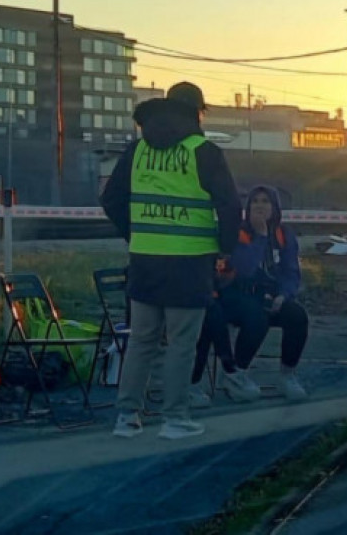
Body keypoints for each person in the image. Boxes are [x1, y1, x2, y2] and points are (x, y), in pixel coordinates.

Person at [100, 82, 241, 440]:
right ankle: (175, 418)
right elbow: (228, 205)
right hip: (189, 263)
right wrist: (225, 249)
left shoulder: (137, 151)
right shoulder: (203, 151)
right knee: (181, 342)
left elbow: (111, 199)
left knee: (142, 340)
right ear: (197, 112)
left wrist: (137, 233)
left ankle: (127, 417)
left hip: (146, 260)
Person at [190, 186, 311, 404]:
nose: (260, 206)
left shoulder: (284, 235)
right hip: (235, 294)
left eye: (265, 201)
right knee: (257, 317)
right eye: (255, 201)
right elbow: (243, 268)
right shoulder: (240, 233)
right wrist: (261, 236)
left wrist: (284, 295)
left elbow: (291, 272)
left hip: (269, 295)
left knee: (297, 316)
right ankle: (237, 373)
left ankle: (287, 375)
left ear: (274, 208)